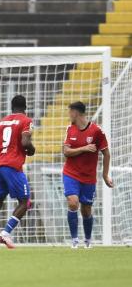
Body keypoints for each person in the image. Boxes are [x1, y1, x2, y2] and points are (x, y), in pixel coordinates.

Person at [0, 95, 36, 249]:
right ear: (25, 107)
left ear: (11, 107)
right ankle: (5, 234)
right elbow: (25, 142)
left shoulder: (1, 122)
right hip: (13, 165)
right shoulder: (26, 121)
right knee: (25, 202)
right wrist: (31, 150)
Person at [62, 101, 113, 249]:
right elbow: (65, 151)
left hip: (89, 177)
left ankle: (88, 240)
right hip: (71, 174)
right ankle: (74, 240)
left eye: (69, 111)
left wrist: (104, 175)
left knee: (86, 210)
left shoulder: (96, 131)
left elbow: (106, 153)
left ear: (75, 113)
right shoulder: (69, 129)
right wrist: (84, 148)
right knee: (73, 203)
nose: (68, 114)